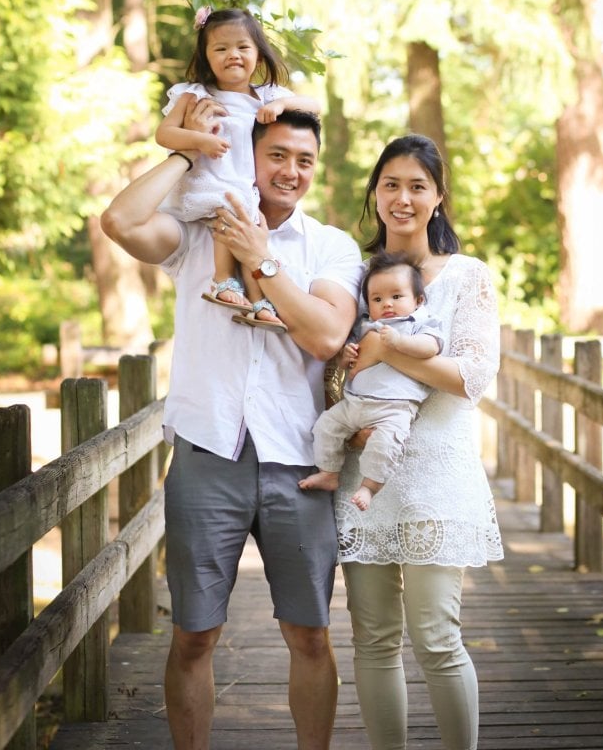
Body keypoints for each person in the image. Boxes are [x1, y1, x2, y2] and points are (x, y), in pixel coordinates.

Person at [100, 102, 363, 750]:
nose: (290, 171)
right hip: (206, 448)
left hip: (297, 461)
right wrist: (190, 152)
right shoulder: (195, 234)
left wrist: (261, 259)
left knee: (308, 633)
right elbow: (120, 220)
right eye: (276, 154)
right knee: (193, 634)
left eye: (304, 159)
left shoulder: (329, 246)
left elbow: (329, 334)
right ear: (250, 155)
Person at [334, 134, 503, 750]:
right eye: (390, 185)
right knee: (373, 637)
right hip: (364, 476)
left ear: (438, 198)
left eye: (416, 186)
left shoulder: (467, 276)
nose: (402, 198)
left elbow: (469, 378)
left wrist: (389, 350)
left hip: (437, 473)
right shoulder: (353, 275)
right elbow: (333, 373)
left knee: (436, 634)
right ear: (375, 193)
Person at [155, 6, 321, 331]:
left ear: (258, 56)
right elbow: (164, 134)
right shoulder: (195, 96)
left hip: (247, 184)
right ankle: (222, 280)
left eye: (242, 47)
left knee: (253, 232)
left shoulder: (265, 97)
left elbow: (314, 106)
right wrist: (198, 141)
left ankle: (258, 301)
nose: (233, 55)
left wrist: (281, 106)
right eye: (221, 48)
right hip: (210, 178)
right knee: (228, 213)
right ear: (206, 58)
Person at [299, 251, 443, 511]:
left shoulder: (420, 323)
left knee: (385, 445)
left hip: (393, 408)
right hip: (355, 403)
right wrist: (347, 356)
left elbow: (430, 348)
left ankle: (369, 486)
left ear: (418, 300)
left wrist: (400, 343)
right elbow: (347, 365)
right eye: (377, 299)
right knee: (325, 426)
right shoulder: (366, 326)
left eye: (397, 296)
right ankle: (329, 472)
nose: (387, 304)